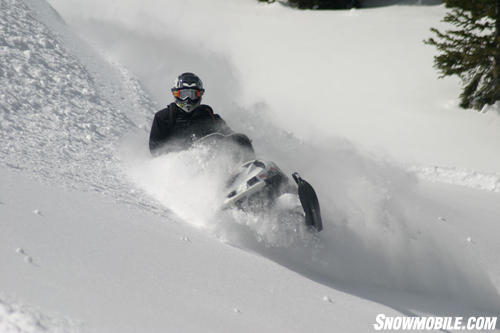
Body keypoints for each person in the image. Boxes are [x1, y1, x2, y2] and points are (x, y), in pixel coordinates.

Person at [149, 72, 233, 154]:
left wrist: (237, 142)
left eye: (193, 94)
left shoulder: (208, 115)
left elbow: (229, 136)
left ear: (199, 94)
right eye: (183, 94)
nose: (188, 99)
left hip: (213, 161)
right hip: (178, 165)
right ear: (176, 94)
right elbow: (155, 150)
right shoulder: (163, 117)